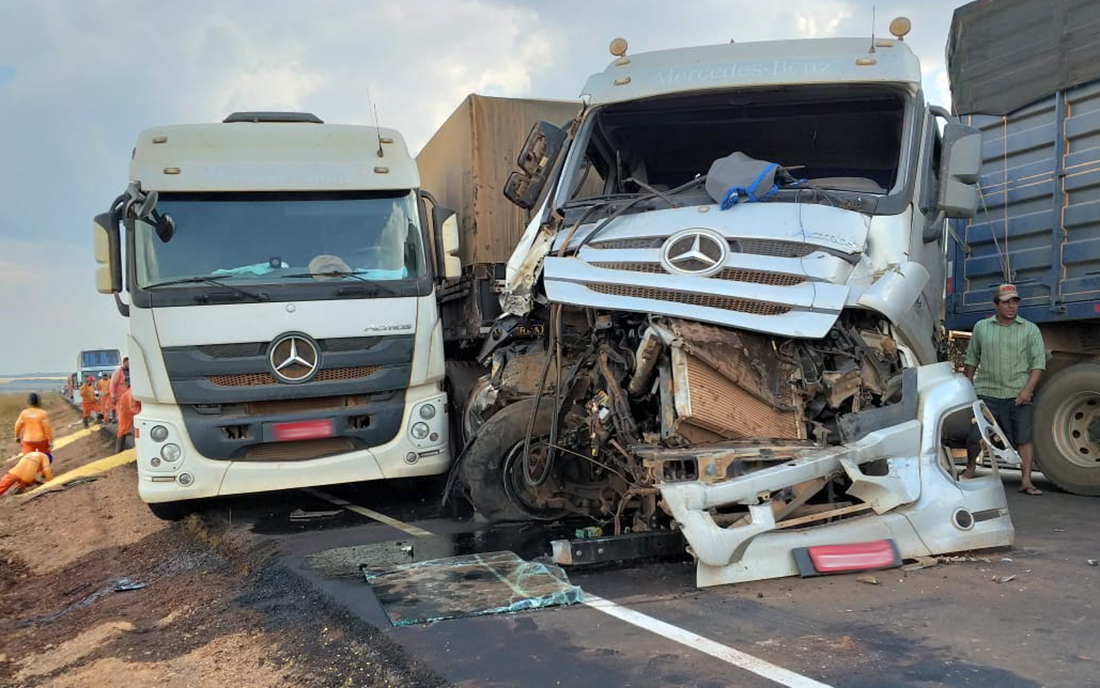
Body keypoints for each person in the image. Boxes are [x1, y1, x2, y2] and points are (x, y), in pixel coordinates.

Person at [964, 283, 1046, 495]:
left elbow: (1038, 363)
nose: (1011, 306)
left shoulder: (1030, 329)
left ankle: (1026, 481)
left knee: (1024, 438)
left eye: (1015, 302)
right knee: (975, 436)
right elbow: (971, 359)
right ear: (996, 305)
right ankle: (970, 469)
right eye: (1006, 302)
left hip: (1018, 395)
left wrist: (1027, 390)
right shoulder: (982, 327)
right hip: (986, 394)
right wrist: (968, 387)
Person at [13, 392, 53, 459]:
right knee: (45, 458)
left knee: (28, 460)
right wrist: (50, 440)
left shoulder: (24, 413)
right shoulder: (43, 413)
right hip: (41, 440)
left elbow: (17, 425)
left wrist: (17, 437)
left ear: (28, 402)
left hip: (27, 440)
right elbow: (47, 428)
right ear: (39, 402)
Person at [115, 385, 141, 453]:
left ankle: (139, 447)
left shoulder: (140, 391)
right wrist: (142, 413)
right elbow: (133, 407)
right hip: (125, 410)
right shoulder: (131, 394)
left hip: (134, 408)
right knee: (123, 428)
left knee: (137, 427)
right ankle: (119, 450)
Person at [109, 357, 130, 423]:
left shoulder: (131, 371)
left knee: (129, 413)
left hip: (129, 396)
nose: (129, 365)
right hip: (120, 397)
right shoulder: (118, 372)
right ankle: (122, 428)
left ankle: (126, 428)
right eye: (128, 363)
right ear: (124, 363)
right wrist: (113, 396)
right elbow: (112, 385)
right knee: (122, 414)